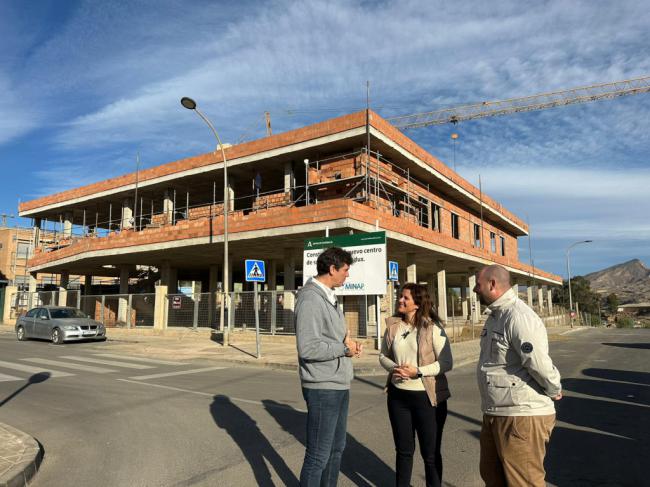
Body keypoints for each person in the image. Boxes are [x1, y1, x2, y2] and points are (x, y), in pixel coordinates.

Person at [474, 264, 562, 487]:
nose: (475, 289)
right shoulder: (496, 315)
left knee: (523, 482)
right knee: (492, 477)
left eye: (478, 284)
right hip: (496, 411)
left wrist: (554, 389)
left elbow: (538, 363)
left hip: (521, 415)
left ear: (492, 284)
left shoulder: (518, 316)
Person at [295, 246, 363, 486]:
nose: (347, 275)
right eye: (345, 270)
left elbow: (332, 335)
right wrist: (343, 349)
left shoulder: (329, 296)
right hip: (323, 387)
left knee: (336, 449)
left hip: (339, 383)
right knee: (318, 455)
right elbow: (308, 347)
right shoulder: (311, 298)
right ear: (332, 269)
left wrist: (347, 343)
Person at [379, 282, 453, 487]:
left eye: (405, 298)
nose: (400, 300)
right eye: (400, 296)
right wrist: (395, 368)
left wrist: (418, 371)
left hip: (427, 399)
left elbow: (447, 362)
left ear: (417, 304)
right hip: (398, 397)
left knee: (430, 455)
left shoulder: (432, 328)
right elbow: (382, 356)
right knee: (403, 452)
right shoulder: (393, 326)